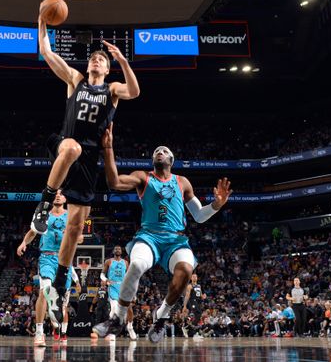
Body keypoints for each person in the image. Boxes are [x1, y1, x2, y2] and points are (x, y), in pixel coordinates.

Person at [29, 11, 140, 326]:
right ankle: (45, 202)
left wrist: (122, 60)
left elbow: (135, 91)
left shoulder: (113, 91)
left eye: (101, 60)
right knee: (71, 146)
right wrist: (41, 22)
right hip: (67, 145)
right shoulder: (75, 80)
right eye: (93, 57)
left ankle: (61, 283)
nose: (95, 60)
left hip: (91, 162)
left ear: (107, 68)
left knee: (75, 228)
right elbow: (48, 53)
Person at [92, 124, 232, 343]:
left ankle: (161, 316)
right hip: (149, 236)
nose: (160, 152)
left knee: (186, 269)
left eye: (164, 150)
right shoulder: (143, 177)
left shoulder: (182, 182)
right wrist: (108, 149)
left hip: (176, 239)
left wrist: (216, 204)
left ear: (171, 160)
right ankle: (117, 318)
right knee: (137, 265)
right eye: (157, 151)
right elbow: (114, 182)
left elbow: (199, 215)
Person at [17, 189, 82, 345]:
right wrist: (24, 243)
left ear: (66, 198)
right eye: (55, 193)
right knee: (44, 290)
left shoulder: (71, 215)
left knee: (62, 303)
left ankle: (57, 322)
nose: (58, 195)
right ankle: (39, 333)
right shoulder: (44, 214)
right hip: (47, 257)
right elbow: (33, 231)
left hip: (65, 259)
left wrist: (72, 234)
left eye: (61, 193)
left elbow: (80, 238)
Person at [102, 246, 136, 339]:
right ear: (113, 251)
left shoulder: (125, 262)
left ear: (121, 251)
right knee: (113, 308)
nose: (117, 250)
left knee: (129, 308)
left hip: (123, 287)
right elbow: (102, 274)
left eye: (119, 249)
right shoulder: (108, 261)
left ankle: (130, 327)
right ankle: (112, 332)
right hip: (113, 287)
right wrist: (106, 280)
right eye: (116, 249)